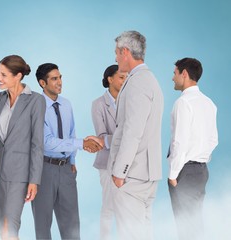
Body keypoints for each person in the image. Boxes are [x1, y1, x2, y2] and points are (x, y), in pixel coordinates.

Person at [32, 63, 103, 240]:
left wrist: (72, 161)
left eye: (60, 77)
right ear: (42, 83)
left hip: (66, 171)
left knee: (71, 224)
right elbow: (47, 143)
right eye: (54, 79)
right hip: (43, 169)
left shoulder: (66, 104)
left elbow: (71, 132)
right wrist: (82, 143)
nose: (60, 82)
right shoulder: (36, 107)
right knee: (43, 224)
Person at [107, 30, 164, 240]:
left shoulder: (138, 82)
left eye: (116, 52)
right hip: (146, 175)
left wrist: (119, 172)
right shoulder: (149, 80)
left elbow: (133, 131)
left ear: (125, 51)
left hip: (133, 175)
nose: (115, 57)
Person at [0, 55, 46, 240]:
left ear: (18, 76)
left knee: (9, 227)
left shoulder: (35, 101)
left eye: (3, 74)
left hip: (19, 175)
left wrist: (34, 180)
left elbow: (37, 143)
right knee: (0, 227)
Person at [167, 58, 218, 240]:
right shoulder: (209, 103)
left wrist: (173, 175)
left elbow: (179, 142)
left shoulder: (183, 103)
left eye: (174, 73)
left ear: (184, 74)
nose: (173, 78)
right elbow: (213, 140)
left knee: (185, 226)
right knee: (195, 222)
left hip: (184, 172)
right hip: (202, 171)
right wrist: (201, 157)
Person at [91, 64, 127, 240]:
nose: (124, 80)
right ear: (110, 79)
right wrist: (126, 138)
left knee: (126, 207)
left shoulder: (129, 101)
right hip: (107, 163)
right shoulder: (98, 104)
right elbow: (102, 138)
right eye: (121, 77)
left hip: (128, 162)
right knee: (109, 206)